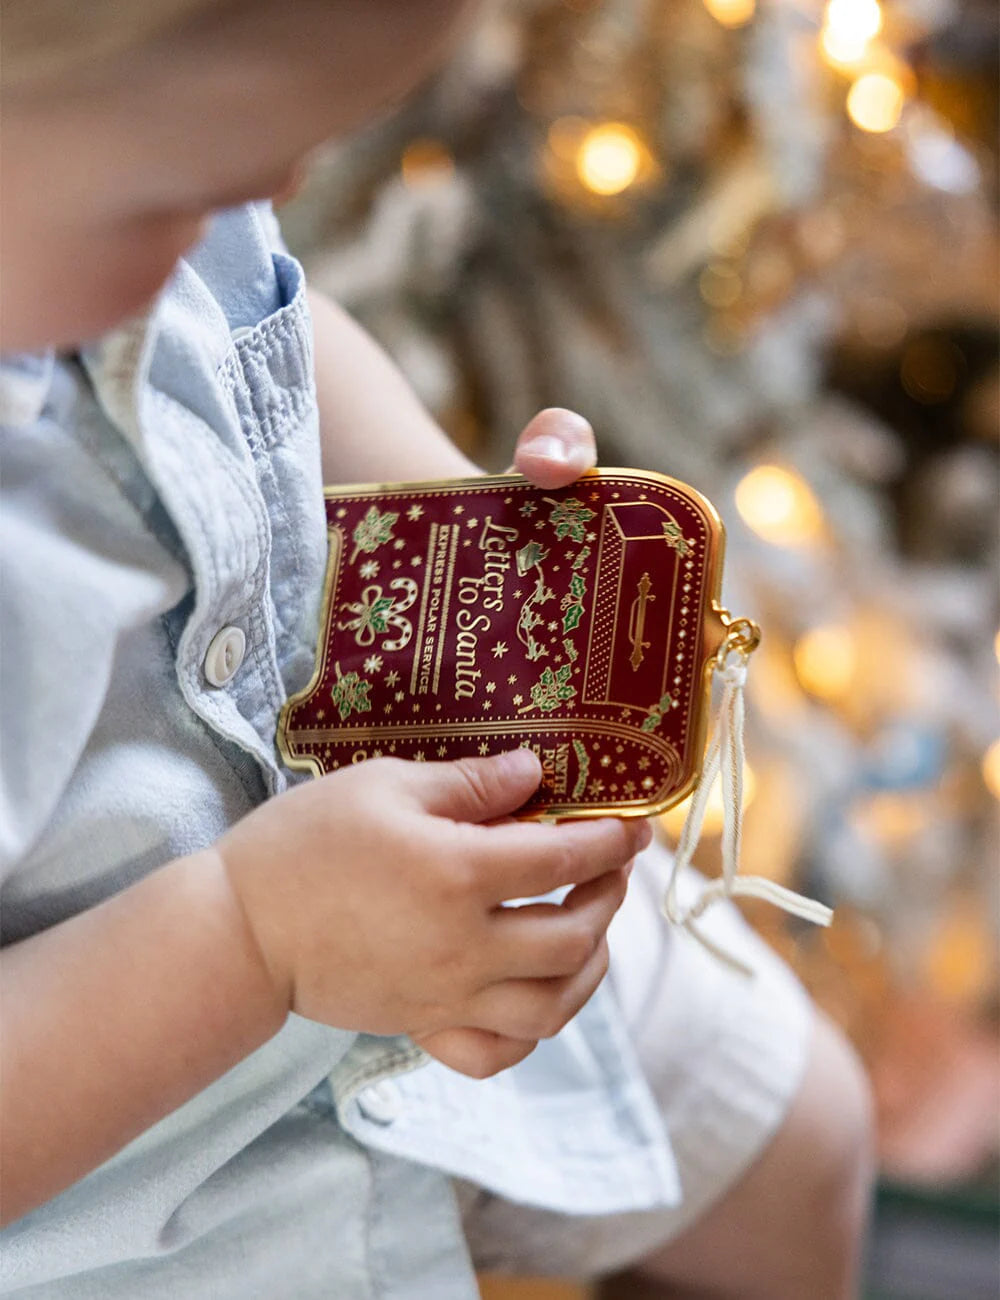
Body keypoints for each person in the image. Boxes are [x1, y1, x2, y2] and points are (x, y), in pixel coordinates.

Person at [0, 2, 875, 1295]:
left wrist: (462, 526)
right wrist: (253, 942)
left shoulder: (96, 181)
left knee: (809, 1128)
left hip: (392, 868)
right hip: (162, 1198)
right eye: (184, 202)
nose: (275, 196)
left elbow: (277, 332)